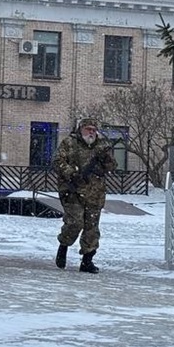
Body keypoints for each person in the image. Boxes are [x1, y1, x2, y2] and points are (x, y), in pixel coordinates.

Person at [53, 117, 116, 274]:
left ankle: (87, 260)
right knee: (75, 223)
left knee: (92, 228)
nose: (91, 132)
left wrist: (105, 158)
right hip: (73, 191)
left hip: (95, 193)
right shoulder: (69, 143)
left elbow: (112, 166)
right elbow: (57, 161)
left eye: (94, 130)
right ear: (81, 129)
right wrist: (72, 174)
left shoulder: (103, 145)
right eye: (88, 129)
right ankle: (64, 246)